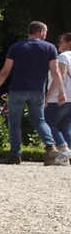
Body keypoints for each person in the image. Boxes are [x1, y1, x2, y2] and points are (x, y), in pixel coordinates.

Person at [0, 21, 66, 165]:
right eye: (46, 32)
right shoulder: (50, 48)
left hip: (18, 89)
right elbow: (55, 72)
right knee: (40, 120)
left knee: (14, 123)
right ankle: (50, 147)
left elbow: (5, 71)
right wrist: (61, 92)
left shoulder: (16, 47)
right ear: (41, 32)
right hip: (37, 91)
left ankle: (15, 156)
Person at [43, 32, 71, 166]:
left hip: (60, 96)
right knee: (65, 127)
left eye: (61, 42)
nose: (59, 44)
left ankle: (64, 150)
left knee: (47, 123)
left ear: (69, 43)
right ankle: (65, 157)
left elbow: (59, 76)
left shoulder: (63, 57)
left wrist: (49, 95)